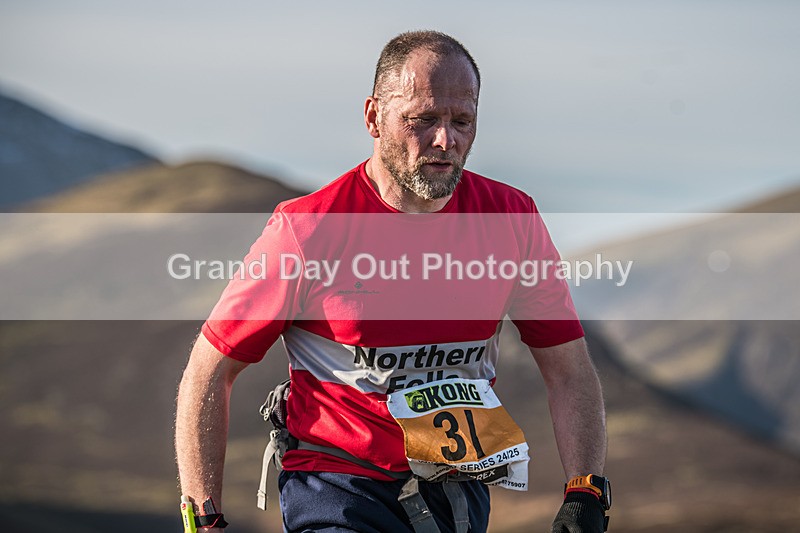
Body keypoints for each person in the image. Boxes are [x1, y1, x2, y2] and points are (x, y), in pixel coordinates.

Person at [176, 30, 609, 533]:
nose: (445, 140)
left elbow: (568, 370)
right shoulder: (308, 228)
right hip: (336, 488)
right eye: (422, 120)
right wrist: (202, 517)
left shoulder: (512, 218)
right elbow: (209, 370)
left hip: (455, 487)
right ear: (373, 118)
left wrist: (587, 490)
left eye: (461, 121)